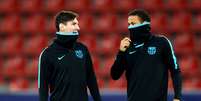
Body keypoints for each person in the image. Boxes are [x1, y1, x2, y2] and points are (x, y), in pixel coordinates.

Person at [110, 9, 182, 101]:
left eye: (133, 23)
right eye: (129, 24)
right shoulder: (127, 47)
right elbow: (114, 75)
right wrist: (121, 52)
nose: (130, 27)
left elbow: (175, 71)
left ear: (145, 23)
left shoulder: (161, 42)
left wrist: (177, 97)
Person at [38, 10, 101, 101]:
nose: (78, 27)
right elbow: (43, 87)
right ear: (62, 27)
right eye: (74, 24)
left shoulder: (83, 49)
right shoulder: (47, 54)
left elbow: (91, 79)